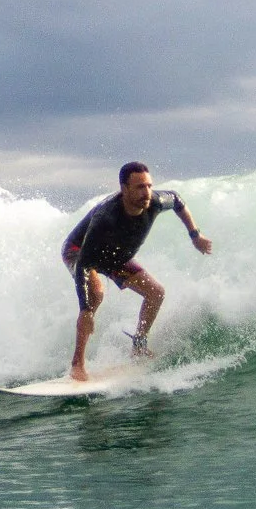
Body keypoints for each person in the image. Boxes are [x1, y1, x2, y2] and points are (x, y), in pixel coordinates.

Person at [62, 162, 212, 381]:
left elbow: (178, 201)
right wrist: (86, 309)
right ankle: (77, 365)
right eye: (140, 187)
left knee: (156, 292)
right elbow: (85, 264)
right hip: (80, 252)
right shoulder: (105, 218)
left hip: (116, 257)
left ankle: (139, 345)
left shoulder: (156, 202)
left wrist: (195, 235)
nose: (147, 193)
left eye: (149, 186)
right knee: (96, 295)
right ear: (124, 188)